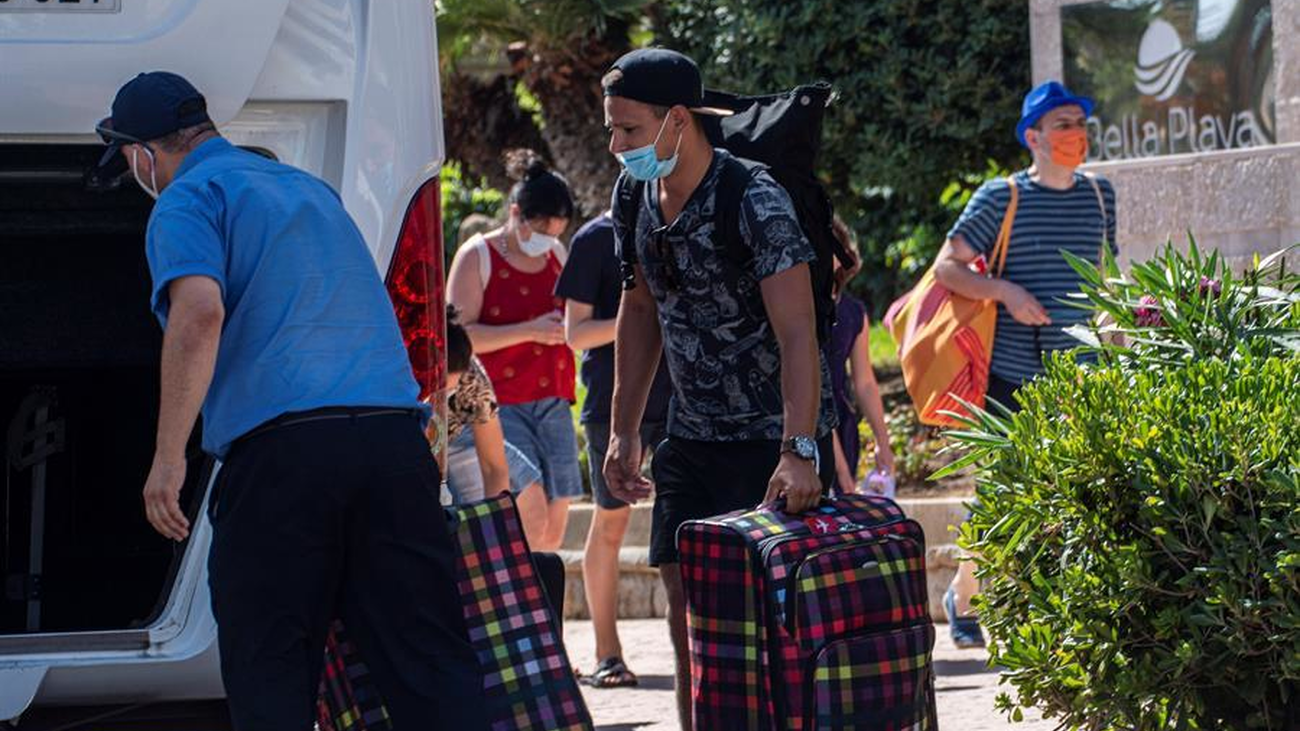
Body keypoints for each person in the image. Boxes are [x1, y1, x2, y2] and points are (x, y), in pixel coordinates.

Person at [96, 72, 486, 730]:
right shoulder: (309, 189)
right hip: (393, 447)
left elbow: (197, 316)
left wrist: (168, 457)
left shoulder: (188, 197)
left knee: (269, 662)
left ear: (141, 153)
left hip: (285, 457)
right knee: (430, 662)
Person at [599, 48, 837, 729]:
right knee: (688, 621)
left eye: (630, 131)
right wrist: (624, 431)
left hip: (767, 444)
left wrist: (799, 448)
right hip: (691, 439)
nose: (617, 147)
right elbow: (640, 309)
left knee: (773, 627)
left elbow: (798, 332)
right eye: (611, 130)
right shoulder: (632, 195)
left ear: (679, 119)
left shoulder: (753, 197)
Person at [933, 80, 1117, 648]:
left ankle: (1062, 616)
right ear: (1033, 137)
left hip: (1083, 373)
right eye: (1062, 126)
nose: (1075, 136)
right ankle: (965, 597)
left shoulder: (1100, 195)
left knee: (1080, 493)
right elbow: (947, 269)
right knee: (1004, 497)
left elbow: (1104, 272)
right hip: (1016, 372)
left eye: (1079, 125)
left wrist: (1117, 325)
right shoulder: (1001, 196)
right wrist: (1006, 291)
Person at [555, 210, 673, 689]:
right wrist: (639, 317)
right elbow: (576, 333)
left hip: (681, 398)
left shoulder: (682, 223)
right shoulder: (593, 239)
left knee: (685, 522)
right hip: (611, 403)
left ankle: (700, 643)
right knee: (611, 521)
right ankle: (608, 654)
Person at [447, 150, 581, 551]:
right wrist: (530, 332)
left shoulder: (556, 254)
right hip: (502, 400)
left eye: (557, 231)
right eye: (541, 228)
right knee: (528, 504)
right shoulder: (478, 255)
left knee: (560, 509)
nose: (548, 239)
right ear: (516, 212)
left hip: (554, 396)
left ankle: (542, 596)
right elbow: (459, 340)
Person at [442, 305, 545, 507]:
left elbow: (494, 468)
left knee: (530, 498)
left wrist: (495, 528)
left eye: (451, 392)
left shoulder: (473, 382)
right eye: (439, 391)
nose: (443, 399)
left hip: (456, 434)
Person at [825, 217, 895, 494]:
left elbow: (864, 382)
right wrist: (839, 468)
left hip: (843, 424)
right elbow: (809, 392)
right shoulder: (801, 312)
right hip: (808, 424)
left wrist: (883, 442)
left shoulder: (854, 312)